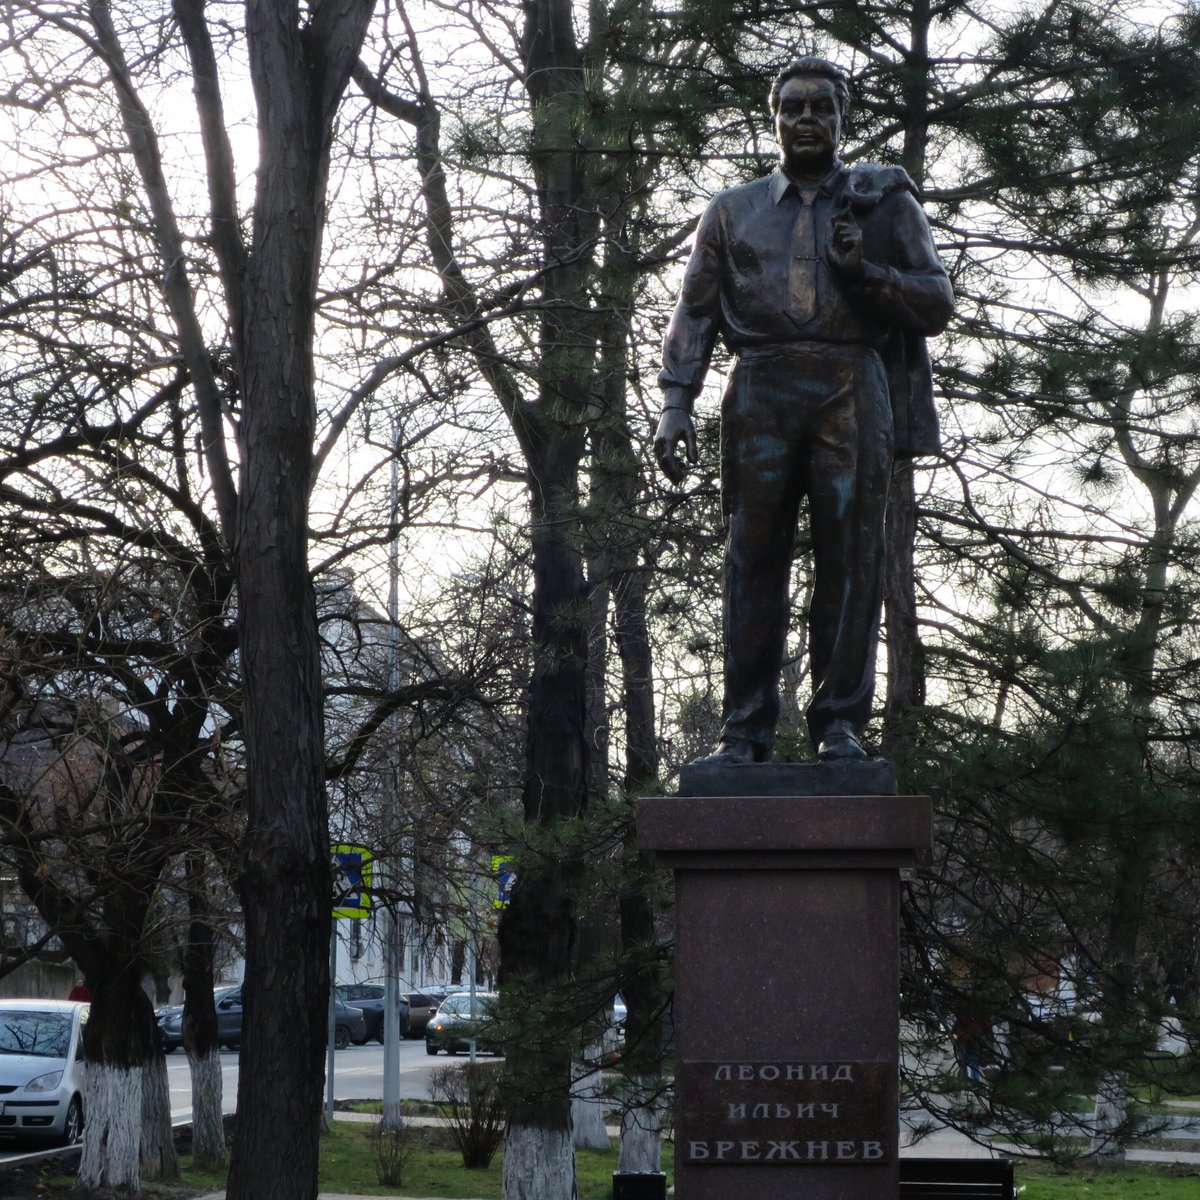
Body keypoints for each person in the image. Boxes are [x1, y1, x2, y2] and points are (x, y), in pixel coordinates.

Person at [654, 56, 954, 765]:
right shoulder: (733, 210)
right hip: (759, 385)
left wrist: (866, 273)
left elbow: (936, 301)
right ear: (775, 119)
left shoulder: (884, 204)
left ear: (844, 118)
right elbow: (694, 312)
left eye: (823, 107)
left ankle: (840, 724)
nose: (808, 120)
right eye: (794, 108)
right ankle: (744, 730)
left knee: (852, 561)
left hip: (852, 384)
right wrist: (675, 403)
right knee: (751, 560)